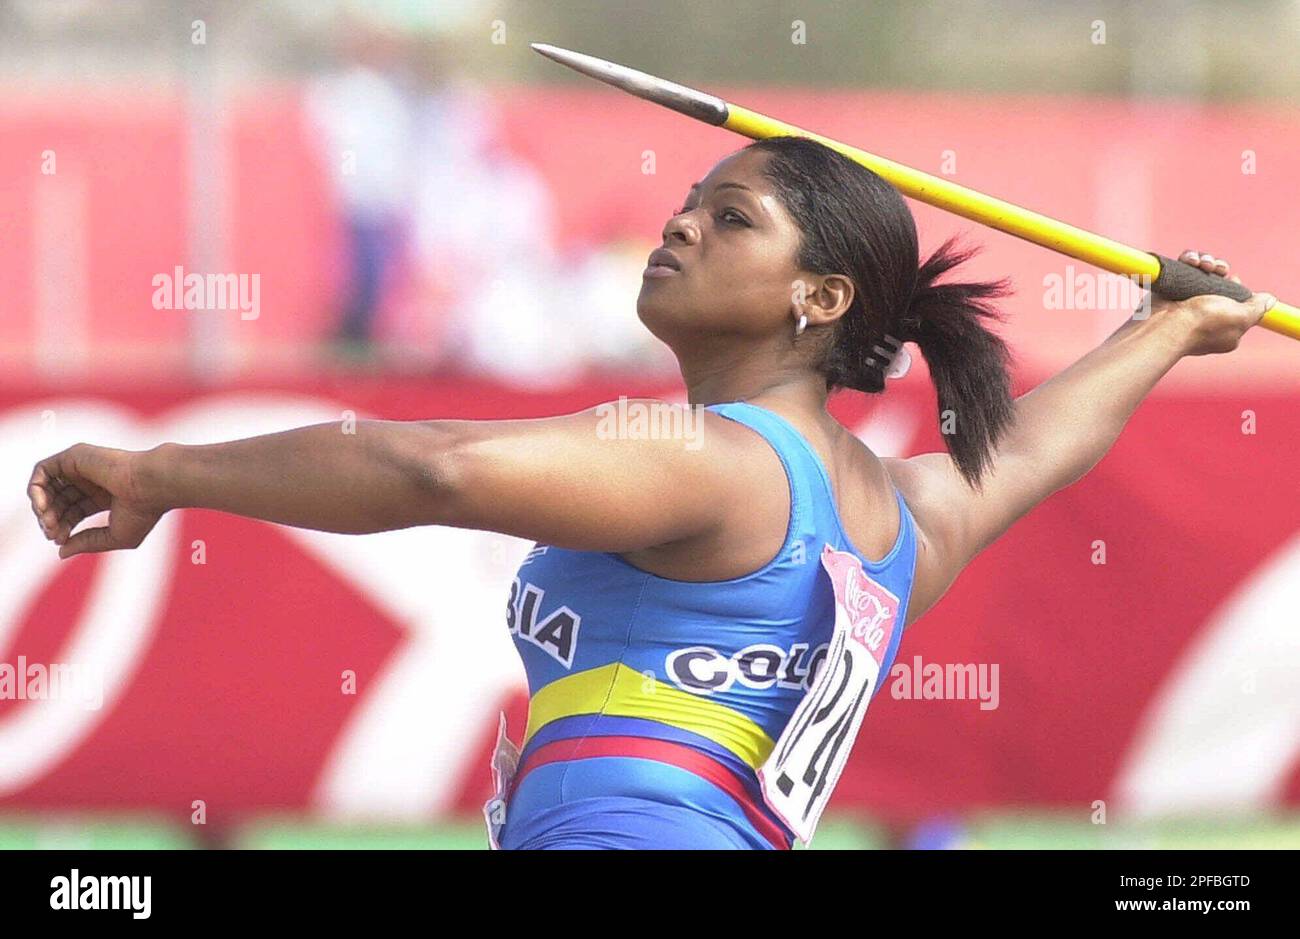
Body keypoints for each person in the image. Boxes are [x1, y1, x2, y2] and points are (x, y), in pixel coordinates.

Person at [27, 137, 1275, 850]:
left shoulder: (717, 463)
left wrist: (160, 470)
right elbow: (1048, 443)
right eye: (684, 207)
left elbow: (430, 467)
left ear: (820, 300)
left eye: (726, 220)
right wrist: (1166, 330)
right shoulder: (905, 510)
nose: (676, 229)